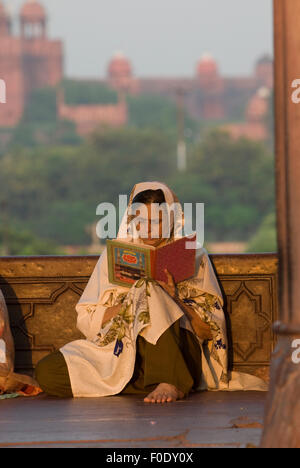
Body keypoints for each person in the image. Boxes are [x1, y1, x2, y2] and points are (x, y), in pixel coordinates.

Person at [35, 181, 267, 402]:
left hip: (179, 349)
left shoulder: (195, 256)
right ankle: (142, 379)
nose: (149, 230)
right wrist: (133, 303)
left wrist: (171, 297)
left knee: (151, 288)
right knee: (48, 372)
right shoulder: (112, 257)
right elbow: (88, 320)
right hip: (123, 349)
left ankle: (170, 380)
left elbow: (209, 330)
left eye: (157, 221)